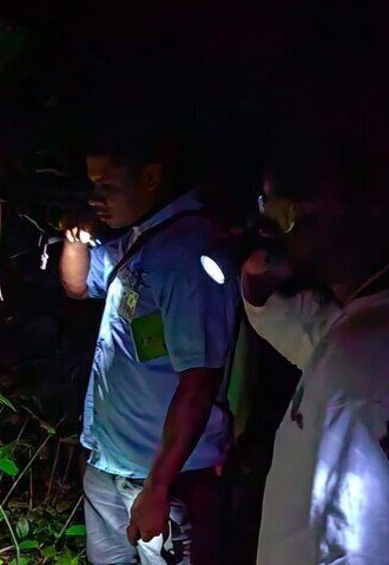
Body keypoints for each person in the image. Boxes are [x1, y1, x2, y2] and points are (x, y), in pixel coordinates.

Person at [60, 126, 240, 564]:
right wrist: (73, 237)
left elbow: (199, 383)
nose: (96, 197)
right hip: (111, 459)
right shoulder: (139, 239)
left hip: (165, 475)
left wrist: (158, 488)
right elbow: (78, 286)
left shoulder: (188, 254)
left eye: (108, 186)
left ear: (151, 178)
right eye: (91, 186)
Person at [241, 93, 389, 564]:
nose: (270, 229)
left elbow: (354, 550)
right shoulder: (358, 327)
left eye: (284, 214)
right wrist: (262, 292)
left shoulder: (363, 356)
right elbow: (313, 339)